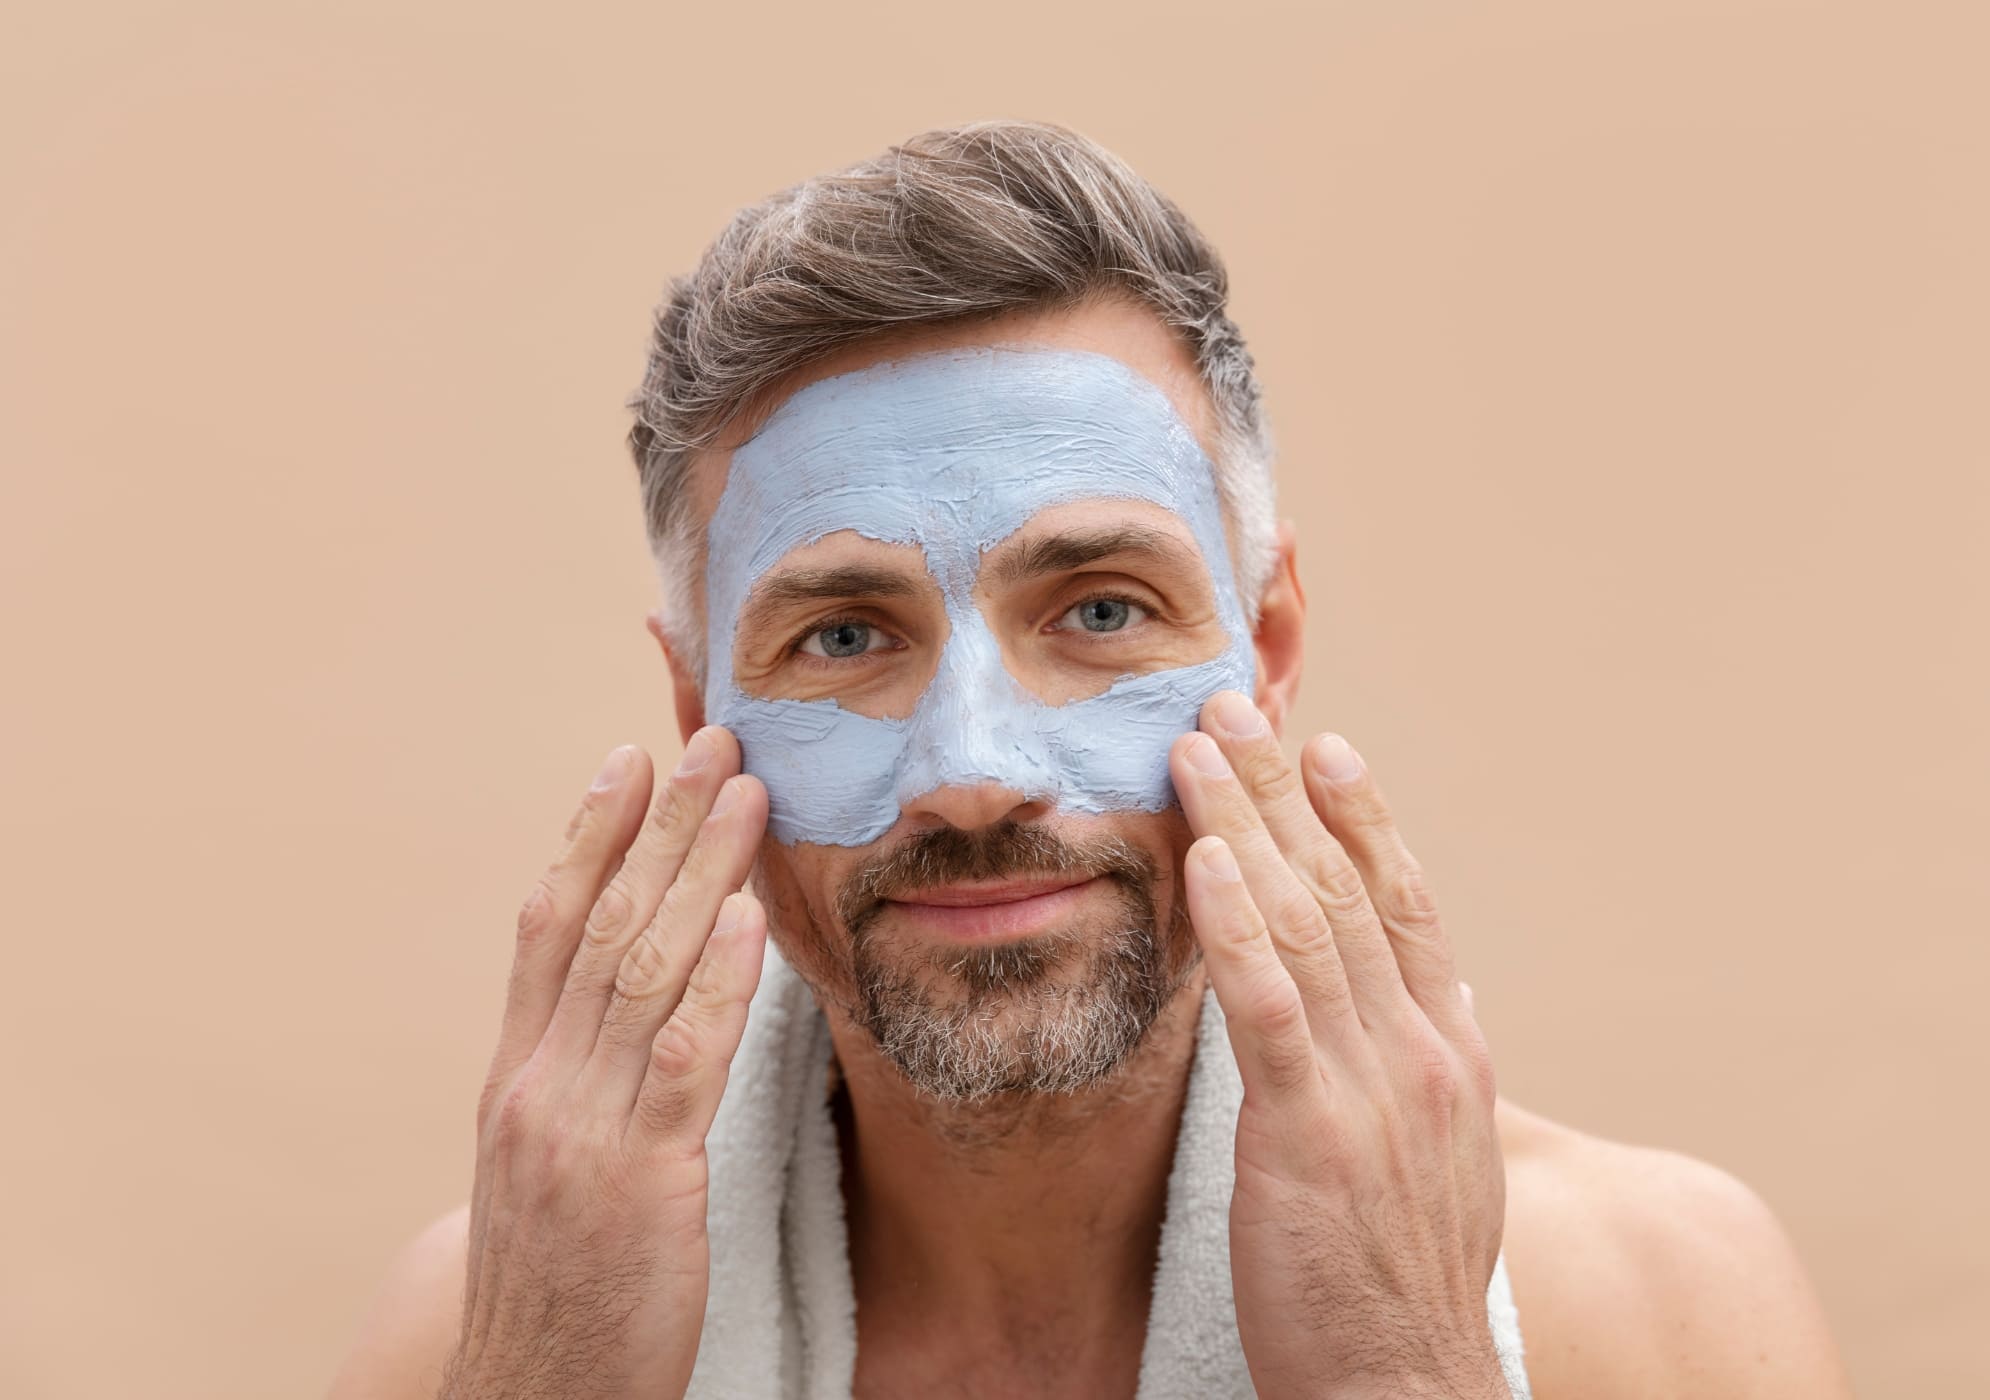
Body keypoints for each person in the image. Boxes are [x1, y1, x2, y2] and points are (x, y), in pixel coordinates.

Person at [329, 120, 1853, 1399]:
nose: (974, 771)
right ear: (697, 715)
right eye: (846, 638)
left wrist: (1407, 1368)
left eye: (1103, 610)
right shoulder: (476, 1338)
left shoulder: (1659, 1310)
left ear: (1262, 646)